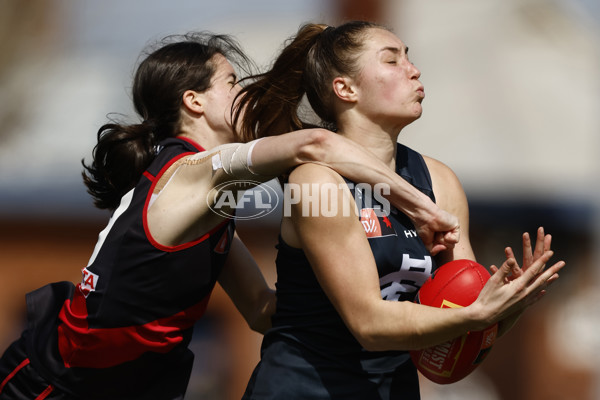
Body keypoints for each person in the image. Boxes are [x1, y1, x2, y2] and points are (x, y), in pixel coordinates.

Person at [0, 32, 459, 399]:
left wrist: (369, 303)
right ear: (194, 101)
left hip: (119, 385)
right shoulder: (187, 172)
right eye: (232, 81)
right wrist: (418, 205)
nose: (244, 93)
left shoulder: (213, 205)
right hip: (54, 385)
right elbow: (315, 144)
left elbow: (262, 310)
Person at [234, 21, 566, 399]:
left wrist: (508, 305)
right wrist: (476, 315)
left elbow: (462, 327)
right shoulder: (316, 182)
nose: (414, 69)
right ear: (346, 89)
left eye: (409, 56)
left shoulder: (439, 180)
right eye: (392, 60)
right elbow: (369, 323)